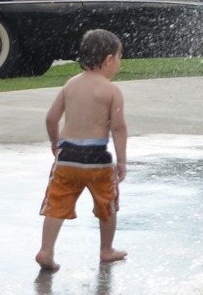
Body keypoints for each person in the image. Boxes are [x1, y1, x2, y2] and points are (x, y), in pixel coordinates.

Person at [36, 29, 128, 273]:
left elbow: (51, 119)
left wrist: (55, 144)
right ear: (109, 60)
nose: (119, 64)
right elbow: (118, 129)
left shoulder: (71, 85)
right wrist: (122, 162)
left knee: (56, 204)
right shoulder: (112, 91)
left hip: (68, 158)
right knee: (107, 205)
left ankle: (46, 250)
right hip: (97, 160)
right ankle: (106, 250)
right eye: (119, 58)